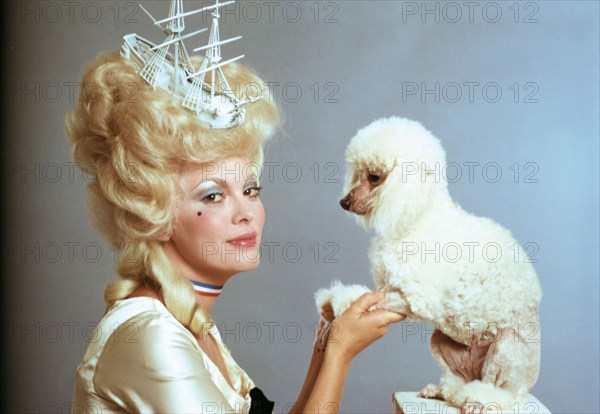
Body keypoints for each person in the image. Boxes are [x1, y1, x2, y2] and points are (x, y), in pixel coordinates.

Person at [65, 48, 405, 413]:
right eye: (213, 196)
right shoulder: (149, 337)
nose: (245, 213)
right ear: (154, 212)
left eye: (249, 190)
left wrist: (325, 350)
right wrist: (340, 354)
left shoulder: (189, 324)